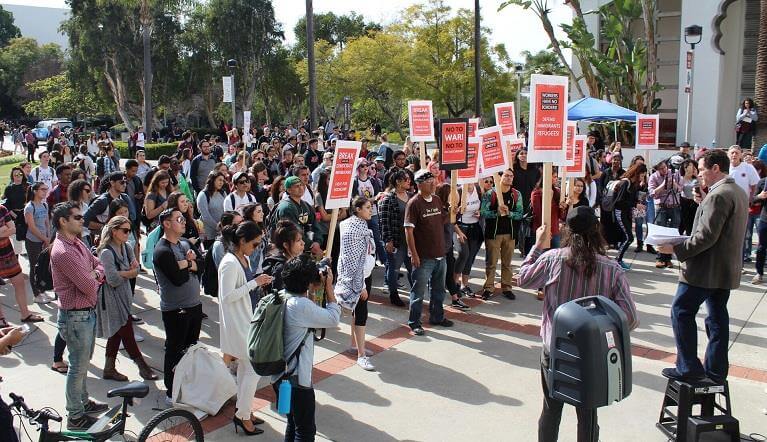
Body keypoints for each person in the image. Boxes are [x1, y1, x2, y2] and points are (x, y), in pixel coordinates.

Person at [517, 207, 638, 442]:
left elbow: (523, 278)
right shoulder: (612, 270)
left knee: (551, 410)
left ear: (567, 231)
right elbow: (629, 318)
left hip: (554, 349)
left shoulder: (552, 258)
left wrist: (537, 246)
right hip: (592, 355)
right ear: (596, 231)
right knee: (588, 416)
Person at [656, 150, 747, 384]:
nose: (699, 174)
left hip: (705, 270)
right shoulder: (735, 190)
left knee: (681, 311)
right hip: (723, 270)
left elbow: (706, 236)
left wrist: (675, 250)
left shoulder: (719, 195)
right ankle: (716, 370)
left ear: (716, 168)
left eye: (703, 168)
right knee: (717, 319)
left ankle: (688, 367)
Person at [50, 202, 109, 430]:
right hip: (75, 317)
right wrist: (94, 275)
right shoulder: (63, 251)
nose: (82, 220)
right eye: (77, 217)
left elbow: (98, 264)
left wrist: (94, 273)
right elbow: (88, 285)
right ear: (63, 221)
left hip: (85, 314)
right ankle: (75, 416)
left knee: (82, 364)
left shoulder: (77, 242)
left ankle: (83, 403)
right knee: (77, 367)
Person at [271, 255, 341, 442]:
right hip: (297, 378)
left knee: (293, 422)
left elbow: (310, 313)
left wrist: (311, 289)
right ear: (308, 282)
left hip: (279, 374)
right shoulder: (300, 306)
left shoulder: (281, 296)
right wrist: (328, 287)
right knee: (305, 430)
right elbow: (334, 318)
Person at [218, 221, 272, 435]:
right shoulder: (230, 263)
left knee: (245, 370)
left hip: (246, 321)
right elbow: (227, 296)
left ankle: (244, 411)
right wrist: (254, 283)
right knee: (252, 369)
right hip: (236, 324)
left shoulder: (244, 258)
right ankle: (242, 414)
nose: (257, 247)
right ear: (242, 241)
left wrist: (257, 283)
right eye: (255, 243)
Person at [95, 216, 157, 381]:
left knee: (117, 332)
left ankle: (109, 368)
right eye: (125, 230)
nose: (128, 234)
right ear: (114, 231)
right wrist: (127, 273)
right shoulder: (106, 252)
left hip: (124, 294)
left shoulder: (128, 247)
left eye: (129, 230)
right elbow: (112, 280)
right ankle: (142, 366)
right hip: (110, 298)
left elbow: (136, 270)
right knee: (126, 329)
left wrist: (122, 273)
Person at [153, 208, 204, 403]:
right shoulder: (162, 250)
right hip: (176, 310)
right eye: (179, 219)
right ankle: (171, 390)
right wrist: (189, 264)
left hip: (194, 305)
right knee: (175, 349)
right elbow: (177, 278)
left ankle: (188, 386)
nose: (184, 222)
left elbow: (202, 265)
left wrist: (187, 263)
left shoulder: (183, 244)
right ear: (166, 224)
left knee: (192, 348)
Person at [404, 170, 454, 335]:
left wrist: (453, 211)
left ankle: (437, 316)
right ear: (419, 184)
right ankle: (414, 322)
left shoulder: (437, 200)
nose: (433, 184)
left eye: (434, 180)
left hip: (440, 254)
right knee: (418, 292)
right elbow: (409, 231)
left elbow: (442, 220)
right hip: (424, 257)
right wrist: (414, 254)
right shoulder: (414, 203)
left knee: (439, 290)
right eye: (429, 182)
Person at [336, 197, 376, 370]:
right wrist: (361, 286)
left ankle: (355, 345)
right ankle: (361, 355)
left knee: (357, 312)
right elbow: (352, 260)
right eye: (367, 207)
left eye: (371, 207)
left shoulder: (359, 225)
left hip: (364, 275)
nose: (371, 210)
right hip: (358, 279)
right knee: (361, 314)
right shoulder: (352, 229)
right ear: (358, 209)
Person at [480, 169, 524, 300]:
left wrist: (509, 213)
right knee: (491, 263)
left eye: (511, 176)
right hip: (493, 234)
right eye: (506, 176)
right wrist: (496, 213)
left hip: (509, 234)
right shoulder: (490, 194)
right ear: (499, 177)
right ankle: (488, 288)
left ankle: (506, 287)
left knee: (507, 263)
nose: (509, 178)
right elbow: (483, 212)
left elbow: (520, 214)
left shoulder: (516, 194)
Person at [0, 203, 41, 324]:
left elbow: (13, 229)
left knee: (19, 283)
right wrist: (3, 230)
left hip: (7, 253)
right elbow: (8, 229)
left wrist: (4, 231)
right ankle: (1, 319)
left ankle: (25, 314)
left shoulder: (2, 209)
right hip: (5, 251)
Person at [378, 169, 413, 306]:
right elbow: (384, 221)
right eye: (406, 179)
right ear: (398, 182)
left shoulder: (411, 196)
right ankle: (394, 295)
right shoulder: (388, 199)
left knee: (413, 269)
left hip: (410, 240)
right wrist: (388, 240)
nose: (409, 181)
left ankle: (415, 293)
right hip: (396, 240)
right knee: (394, 269)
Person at [612, 163, 647, 270]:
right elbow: (619, 202)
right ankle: (617, 260)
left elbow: (631, 199)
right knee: (629, 238)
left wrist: (637, 202)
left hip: (627, 213)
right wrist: (635, 204)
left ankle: (618, 259)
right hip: (620, 212)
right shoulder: (625, 183)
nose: (642, 178)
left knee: (626, 237)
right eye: (641, 175)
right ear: (636, 173)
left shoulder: (633, 185)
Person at [648, 160, 682, 268]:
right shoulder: (653, 177)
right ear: (657, 169)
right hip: (661, 206)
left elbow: (679, 189)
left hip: (674, 206)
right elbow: (653, 194)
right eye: (661, 169)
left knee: (673, 233)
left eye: (665, 167)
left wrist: (673, 182)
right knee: (661, 234)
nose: (664, 170)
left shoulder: (675, 174)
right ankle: (660, 258)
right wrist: (663, 184)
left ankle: (668, 259)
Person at [24, 182, 54, 304]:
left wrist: (48, 237)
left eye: (46, 189)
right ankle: (36, 294)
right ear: (35, 191)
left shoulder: (44, 205)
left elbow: (47, 223)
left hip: (44, 240)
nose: (45, 191)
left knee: (43, 265)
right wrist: (44, 238)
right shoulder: (30, 207)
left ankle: (42, 290)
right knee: (34, 266)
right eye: (43, 189)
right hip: (33, 241)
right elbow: (32, 227)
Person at [274, 176, 320, 256]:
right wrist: (311, 245)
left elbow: (315, 225)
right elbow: (293, 231)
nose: (300, 188)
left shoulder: (306, 205)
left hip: (306, 248)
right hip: (290, 251)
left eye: (301, 185)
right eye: (296, 186)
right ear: (288, 190)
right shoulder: (286, 208)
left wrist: (317, 242)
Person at [262, 220, 305, 293]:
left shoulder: (297, 262)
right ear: (286, 245)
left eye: (302, 239)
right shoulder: (281, 269)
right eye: (298, 240)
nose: (303, 243)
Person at [197, 171, 228, 249]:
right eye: (219, 180)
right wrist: (217, 227)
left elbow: (226, 210)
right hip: (209, 234)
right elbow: (205, 216)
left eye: (223, 181)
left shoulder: (223, 193)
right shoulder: (203, 195)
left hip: (222, 232)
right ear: (212, 180)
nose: (221, 183)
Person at [679, 159, 699, 236]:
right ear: (685, 167)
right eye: (690, 165)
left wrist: (696, 175)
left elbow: (702, 185)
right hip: (684, 202)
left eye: (693, 165)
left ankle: (690, 237)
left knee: (693, 222)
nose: (692, 167)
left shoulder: (695, 177)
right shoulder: (681, 178)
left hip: (694, 202)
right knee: (684, 223)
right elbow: (679, 189)